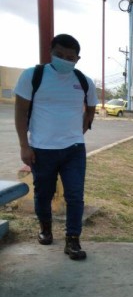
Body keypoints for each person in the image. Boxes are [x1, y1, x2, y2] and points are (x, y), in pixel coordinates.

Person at [14, 34, 98, 260]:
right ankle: (46, 228)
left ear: (77, 59)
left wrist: (81, 130)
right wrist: (24, 145)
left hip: (74, 150)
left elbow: (90, 110)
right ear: (51, 52)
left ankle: (73, 240)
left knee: (75, 196)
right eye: (59, 55)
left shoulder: (84, 81)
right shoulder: (33, 75)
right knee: (43, 194)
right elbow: (21, 112)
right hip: (41, 149)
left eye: (70, 57)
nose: (64, 60)